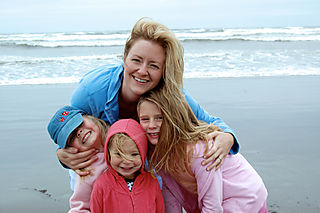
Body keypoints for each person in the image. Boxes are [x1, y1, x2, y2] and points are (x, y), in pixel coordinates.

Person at [56, 17, 239, 186]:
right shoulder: (92, 89)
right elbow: (67, 125)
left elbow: (211, 123)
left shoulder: (171, 94)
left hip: (142, 161)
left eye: (153, 65)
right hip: (102, 160)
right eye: (136, 60)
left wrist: (227, 137)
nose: (142, 71)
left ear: (163, 71)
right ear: (125, 58)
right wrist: (61, 154)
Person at [137, 90, 268, 213]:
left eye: (160, 118)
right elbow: (170, 192)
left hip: (244, 195)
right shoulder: (158, 152)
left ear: (175, 118)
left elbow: (213, 207)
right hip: (218, 198)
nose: (152, 125)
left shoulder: (198, 151)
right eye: (145, 119)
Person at [90, 119, 164, 213]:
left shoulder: (152, 182)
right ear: (108, 154)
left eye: (134, 154)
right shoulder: (101, 185)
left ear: (143, 153)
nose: (127, 161)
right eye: (119, 154)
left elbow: (160, 210)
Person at [47, 106, 109, 212]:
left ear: (90, 117)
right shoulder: (86, 173)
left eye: (80, 124)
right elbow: (79, 208)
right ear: (70, 150)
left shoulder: (122, 132)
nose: (79, 133)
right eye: (71, 138)